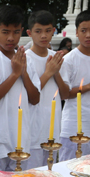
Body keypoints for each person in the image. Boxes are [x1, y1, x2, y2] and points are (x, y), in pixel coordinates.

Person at [0, 5, 40, 171]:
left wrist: (23, 73)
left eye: (16, 32)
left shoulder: (27, 60)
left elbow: (35, 99)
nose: (11, 38)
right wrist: (14, 75)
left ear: (22, 31)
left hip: (20, 135)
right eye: (5, 32)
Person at [58, 10, 90, 161]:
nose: (88, 35)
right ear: (76, 32)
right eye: (84, 31)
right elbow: (65, 93)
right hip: (73, 126)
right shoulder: (69, 59)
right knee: (69, 170)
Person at [25, 10, 65, 168]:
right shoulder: (26, 59)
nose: (43, 36)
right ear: (29, 33)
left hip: (52, 126)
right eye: (38, 31)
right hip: (33, 128)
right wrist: (48, 72)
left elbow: (65, 93)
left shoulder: (57, 57)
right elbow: (31, 95)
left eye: (48, 31)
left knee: (49, 174)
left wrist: (55, 72)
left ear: (53, 31)